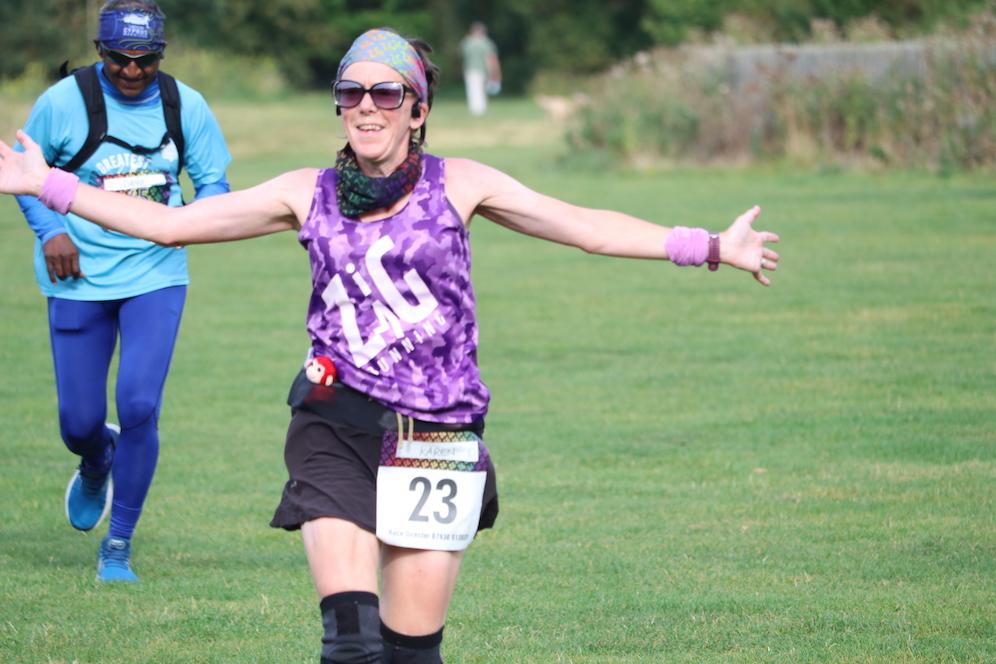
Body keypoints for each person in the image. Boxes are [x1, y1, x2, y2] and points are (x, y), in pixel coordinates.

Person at [0, 27, 779, 663]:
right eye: (351, 92)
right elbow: (169, 225)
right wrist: (51, 188)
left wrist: (708, 245)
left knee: (411, 652)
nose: (365, 107)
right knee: (350, 640)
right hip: (334, 421)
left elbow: (582, 227)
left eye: (385, 92)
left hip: (436, 437)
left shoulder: (461, 182)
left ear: (417, 109)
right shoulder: (305, 193)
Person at [12, 0, 232, 583]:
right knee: (77, 422)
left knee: (139, 405)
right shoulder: (64, 104)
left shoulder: (185, 105)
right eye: (119, 59)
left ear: (162, 53)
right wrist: (53, 230)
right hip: (76, 276)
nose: (132, 72)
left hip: (156, 273)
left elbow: (212, 180)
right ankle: (94, 459)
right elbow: (26, 177)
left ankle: (118, 545)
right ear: (99, 52)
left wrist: (199, 217)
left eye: (146, 60)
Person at [460, 22, 501, 116]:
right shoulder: (486, 42)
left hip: (470, 70)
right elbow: (491, 58)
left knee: (473, 90)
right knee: (480, 90)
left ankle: (475, 109)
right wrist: (494, 72)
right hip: (483, 70)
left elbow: (463, 56)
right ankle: (480, 109)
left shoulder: (467, 42)